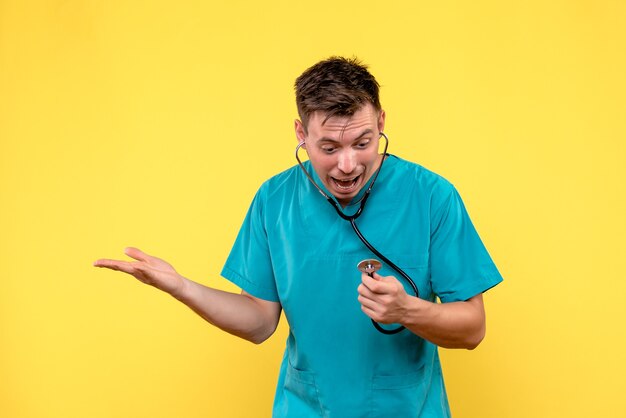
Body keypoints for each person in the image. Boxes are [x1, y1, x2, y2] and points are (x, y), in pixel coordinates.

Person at [94, 56, 503, 417]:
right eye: (328, 147)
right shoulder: (274, 200)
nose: (347, 165)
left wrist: (407, 311)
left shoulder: (432, 197)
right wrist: (181, 287)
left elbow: (472, 329)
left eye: (363, 143)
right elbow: (258, 322)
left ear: (381, 122)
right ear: (300, 134)